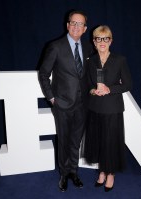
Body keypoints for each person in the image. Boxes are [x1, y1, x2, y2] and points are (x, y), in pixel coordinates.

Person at [38, 10, 93, 192]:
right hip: (62, 104)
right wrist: (52, 98)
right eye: (74, 23)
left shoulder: (87, 48)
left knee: (76, 141)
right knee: (63, 140)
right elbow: (44, 74)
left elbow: (86, 76)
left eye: (81, 24)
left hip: (82, 105)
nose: (77, 27)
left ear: (85, 29)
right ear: (68, 25)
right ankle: (63, 175)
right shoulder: (55, 46)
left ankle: (73, 172)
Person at [83, 25, 132, 192]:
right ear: (94, 42)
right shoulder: (91, 61)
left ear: (110, 41)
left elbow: (128, 84)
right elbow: (87, 84)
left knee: (110, 143)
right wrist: (92, 90)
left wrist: (110, 89)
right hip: (95, 108)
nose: (102, 42)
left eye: (105, 38)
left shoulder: (120, 60)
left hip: (112, 109)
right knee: (99, 142)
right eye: (98, 38)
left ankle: (110, 174)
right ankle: (102, 172)